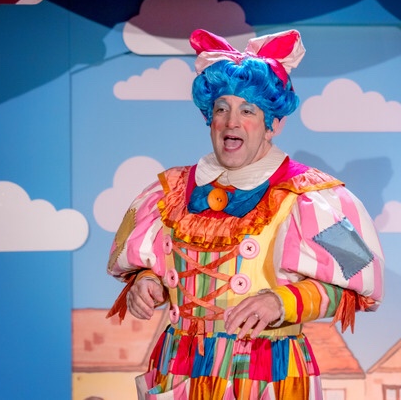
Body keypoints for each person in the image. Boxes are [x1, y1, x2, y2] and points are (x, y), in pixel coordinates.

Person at [106, 28, 384, 400]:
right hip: (180, 367)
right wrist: (146, 281)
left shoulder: (311, 198)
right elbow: (147, 264)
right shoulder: (169, 192)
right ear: (210, 119)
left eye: (247, 110)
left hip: (267, 371)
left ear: (274, 124)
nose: (231, 122)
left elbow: (357, 283)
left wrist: (282, 301)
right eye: (222, 109)